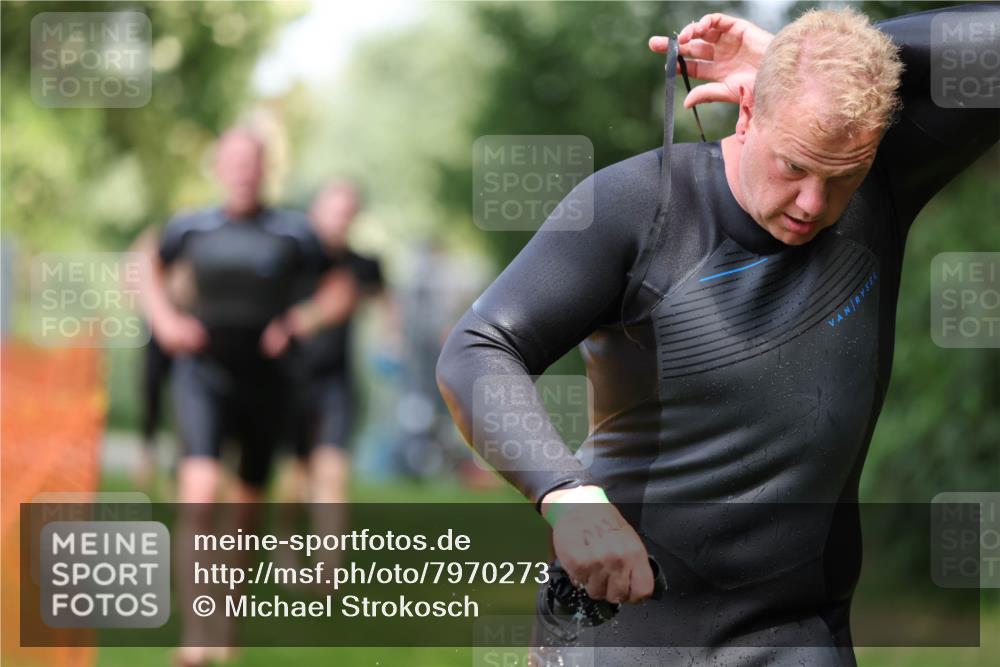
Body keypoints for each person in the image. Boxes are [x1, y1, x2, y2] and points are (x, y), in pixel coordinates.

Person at [436, 5, 998, 665]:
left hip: (795, 636)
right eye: (793, 166)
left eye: (841, 177)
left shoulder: (886, 183)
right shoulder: (639, 206)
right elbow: (478, 349)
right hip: (622, 623)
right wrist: (565, 493)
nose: (813, 203)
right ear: (748, 108)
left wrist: (805, 51)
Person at [140, 128, 352, 666]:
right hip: (202, 373)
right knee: (201, 491)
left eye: (251, 162)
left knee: (243, 511)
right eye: (232, 161)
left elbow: (341, 287)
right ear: (219, 167)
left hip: (268, 381)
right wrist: (166, 321)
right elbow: (142, 266)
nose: (241, 171)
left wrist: (299, 321)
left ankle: (226, 629)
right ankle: (194, 637)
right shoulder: (191, 226)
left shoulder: (294, 232)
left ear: (265, 169)